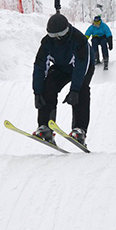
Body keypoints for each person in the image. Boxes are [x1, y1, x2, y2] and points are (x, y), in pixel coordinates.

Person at [32, 13, 95, 146]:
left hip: (83, 66)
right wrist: (37, 92)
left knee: (82, 90)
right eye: (53, 36)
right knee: (47, 85)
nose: (57, 39)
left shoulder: (79, 40)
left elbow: (81, 67)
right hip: (62, 67)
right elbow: (40, 65)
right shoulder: (47, 42)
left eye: (60, 35)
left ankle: (80, 130)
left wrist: (75, 90)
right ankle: (45, 127)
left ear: (67, 31)